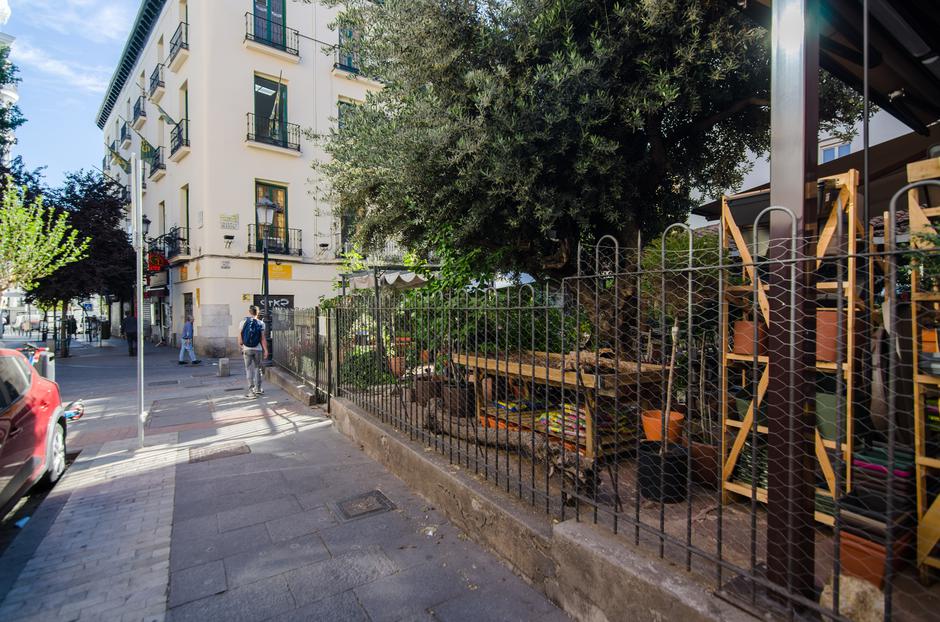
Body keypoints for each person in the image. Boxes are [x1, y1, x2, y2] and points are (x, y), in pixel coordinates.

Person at [238, 305, 268, 398]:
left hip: (247, 349)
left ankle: (251, 392)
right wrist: (266, 350)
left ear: (249, 312)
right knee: (257, 368)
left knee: (248, 369)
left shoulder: (243, 322)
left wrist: (241, 346)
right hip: (258, 349)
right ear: (257, 313)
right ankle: (258, 389)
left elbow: (240, 339)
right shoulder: (261, 323)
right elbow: (262, 338)